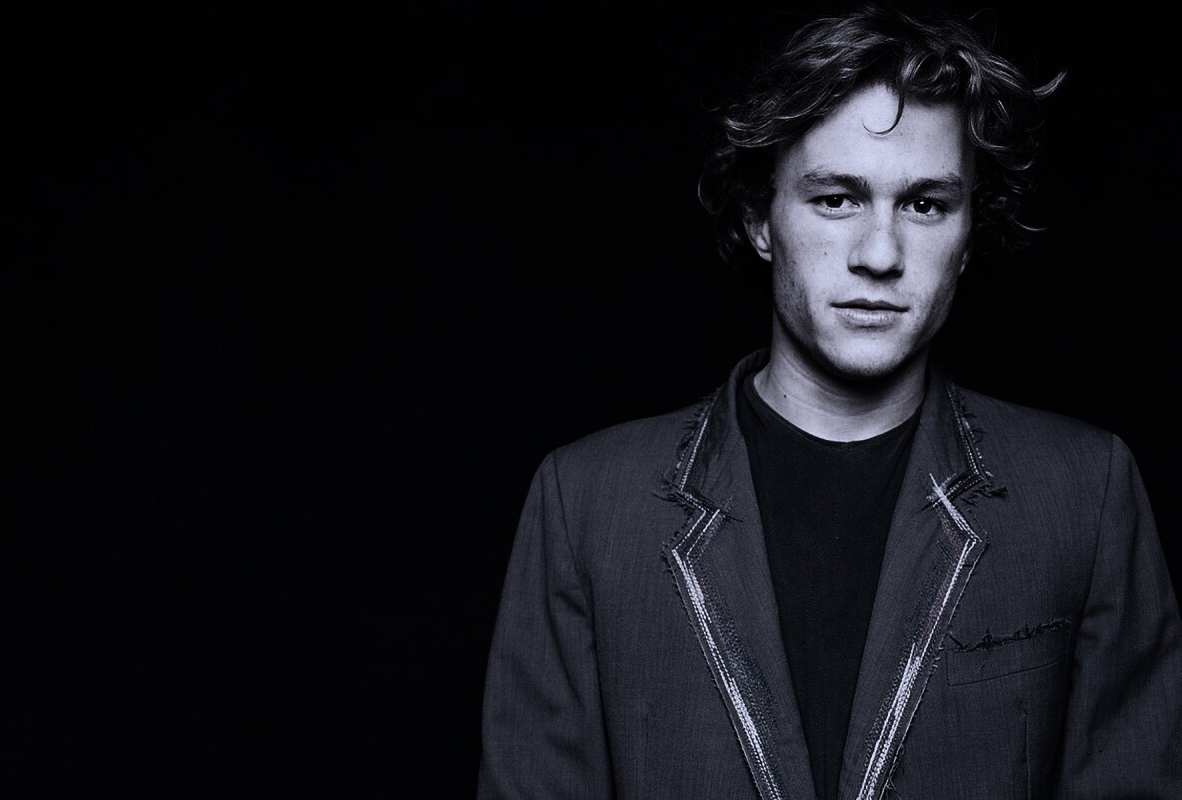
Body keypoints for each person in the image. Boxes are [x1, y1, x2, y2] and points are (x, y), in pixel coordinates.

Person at [476, 3, 1182, 799]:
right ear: (760, 220)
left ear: (967, 236)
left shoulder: (1085, 493)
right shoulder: (586, 503)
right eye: (836, 198)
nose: (880, 254)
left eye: (924, 204)